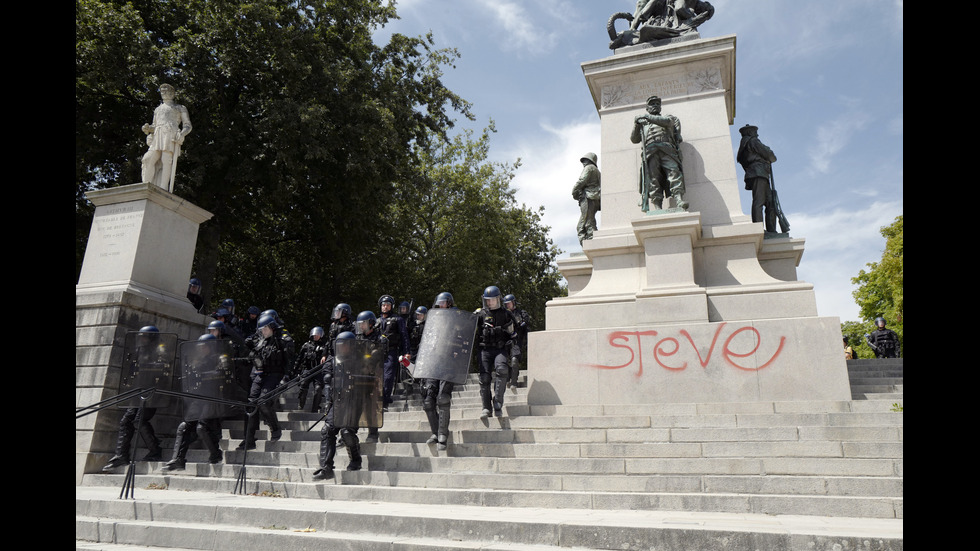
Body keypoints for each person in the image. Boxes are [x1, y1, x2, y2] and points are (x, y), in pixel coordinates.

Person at [102, 326, 166, 472]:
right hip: (137, 393)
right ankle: (121, 455)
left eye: (145, 337)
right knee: (126, 421)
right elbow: (131, 372)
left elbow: (163, 370)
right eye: (141, 336)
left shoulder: (159, 351)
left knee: (139, 420)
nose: (142, 339)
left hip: (151, 394)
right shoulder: (139, 352)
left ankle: (155, 450)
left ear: (151, 338)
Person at [164, 334, 226, 471]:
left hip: (212, 398)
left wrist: (204, 375)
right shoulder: (198, 361)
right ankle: (178, 459)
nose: (201, 349)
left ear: (210, 347)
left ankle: (216, 454)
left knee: (202, 427)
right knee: (183, 427)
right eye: (200, 347)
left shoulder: (219, 359)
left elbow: (223, 375)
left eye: (204, 346)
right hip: (199, 397)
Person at [313, 331, 362, 480]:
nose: (342, 347)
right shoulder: (331, 361)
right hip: (338, 402)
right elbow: (327, 383)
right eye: (339, 344)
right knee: (327, 430)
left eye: (345, 344)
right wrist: (328, 402)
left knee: (347, 432)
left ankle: (355, 459)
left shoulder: (360, 361)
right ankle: (326, 468)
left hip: (355, 401)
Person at [237, 313, 288, 450]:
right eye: (261, 330)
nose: (262, 332)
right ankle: (249, 439)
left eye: (265, 329)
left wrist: (287, 377)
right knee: (251, 403)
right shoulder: (261, 340)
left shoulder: (282, 340)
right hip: (260, 374)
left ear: (272, 327)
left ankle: (275, 428)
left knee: (264, 402)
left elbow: (289, 361)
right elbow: (252, 348)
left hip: (274, 375)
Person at [630, 95, 687, 211]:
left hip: (667, 150)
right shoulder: (644, 124)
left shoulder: (669, 118)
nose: (655, 106)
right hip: (651, 152)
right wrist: (636, 124)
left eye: (657, 104)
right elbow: (634, 139)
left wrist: (647, 117)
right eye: (652, 104)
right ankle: (657, 206)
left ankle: (679, 200)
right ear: (647, 107)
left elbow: (667, 122)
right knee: (653, 179)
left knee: (674, 173)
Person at [476, 286, 519, 420]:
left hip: (500, 349)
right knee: (484, 378)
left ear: (497, 299)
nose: (489, 303)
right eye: (487, 300)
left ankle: (498, 401)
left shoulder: (506, 314)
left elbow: (514, 333)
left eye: (492, 300)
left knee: (502, 370)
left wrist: (512, 344)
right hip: (484, 349)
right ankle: (486, 408)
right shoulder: (480, 314)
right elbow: (469, 330)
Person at [420, 294, 457, 450]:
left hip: (449, 363)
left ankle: (443, 434)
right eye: (439, 303)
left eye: (443, 303)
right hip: (434, 362)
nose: (441, 306)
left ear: (449, 303)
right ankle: (435, 433)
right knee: (428, 400)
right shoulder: (433, 320)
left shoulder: (456, 318)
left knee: (443, 398)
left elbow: (463, 339)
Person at [140, 83, 192, 192]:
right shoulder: (158, 109)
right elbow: (155, 125)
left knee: (166, 160)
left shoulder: (179, 108)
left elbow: (188, 125)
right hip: (158, 135)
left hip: (170, 134)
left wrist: (181, 134)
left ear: (172, 93)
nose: (164, 93)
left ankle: (163, 188)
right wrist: (148, 128)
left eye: (166, 91)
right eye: (162, 91)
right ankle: (145, 187)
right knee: (147, 159)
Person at [736, 124, 778, 233]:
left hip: (759, 173)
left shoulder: (744, 145)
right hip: (758, 173)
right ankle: (759, 229)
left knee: (770, 202)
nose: (757, 134)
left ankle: (771, 230)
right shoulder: (753, 141)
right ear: (750, 133)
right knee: (759, 201)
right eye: (755, 132)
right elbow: (771, 155)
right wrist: (768, 153)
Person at [356, 311, 389, 445]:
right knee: (356, 405)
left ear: (370, 323)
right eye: (360, 324)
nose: (361, 327)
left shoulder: (381, 339)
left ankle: (373, 433)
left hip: (374, 377)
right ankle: (350, 432)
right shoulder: (358, 338)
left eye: (363, 323)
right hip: (359, 375)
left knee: (371, 406)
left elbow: (382, 357)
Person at [376, 295, 409, 410]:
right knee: (377, 377)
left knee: (388, 377)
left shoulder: (397, 319)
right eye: (383, 305)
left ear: (391, 306)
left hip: (391, 351)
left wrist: (406, 352)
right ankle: (377, 399)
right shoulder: (377, 321)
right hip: (377, 353)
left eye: (387, 305)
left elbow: (404, 336)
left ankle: (384, 401)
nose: (385, 307)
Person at [292, 327, 328, 412]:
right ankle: (301, 405)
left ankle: (315, 409)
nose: (315, 336)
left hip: (319, 370)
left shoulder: (325, 346)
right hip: (307, 369)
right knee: (303, 385)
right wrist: (294, 371)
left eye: (318, 334)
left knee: (318, 389)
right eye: (314, 334)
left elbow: (329, 355)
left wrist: (324, 355)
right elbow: (299, 359)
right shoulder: (306, 345)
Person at [572, 152, 601, 244]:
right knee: (587, 222)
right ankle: (588, 244)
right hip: (595, 198)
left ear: (590, 160)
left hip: (588, 197)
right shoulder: (597, 171)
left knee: (587, 223)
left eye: (585, 160)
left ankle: (593, 244)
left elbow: (582, 180)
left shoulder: (589, 168)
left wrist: (574, 191)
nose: (583, 162)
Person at [503, 294, 530, 390]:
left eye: (509, 303)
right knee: (503, 361)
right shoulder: (504, 314)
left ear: (513, 302)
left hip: (516, 341)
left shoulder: (521, 313)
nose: (508, 306)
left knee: (514, 360)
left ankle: (513, 382)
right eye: (506, 304)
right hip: (505, 341)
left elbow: (526, 326)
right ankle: (507, 379)